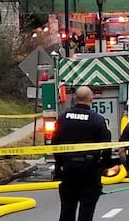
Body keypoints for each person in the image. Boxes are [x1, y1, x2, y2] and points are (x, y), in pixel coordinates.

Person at [51, 86, 112, 221]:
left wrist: (60, 163)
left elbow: (54, 143)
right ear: (91, 99)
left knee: (67, 210)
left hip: (68, 169)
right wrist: (103, 166)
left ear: (74, 98)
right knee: (87, 210)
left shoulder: (63, 118)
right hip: (89, 170)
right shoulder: (98, 120)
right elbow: (107, 145)